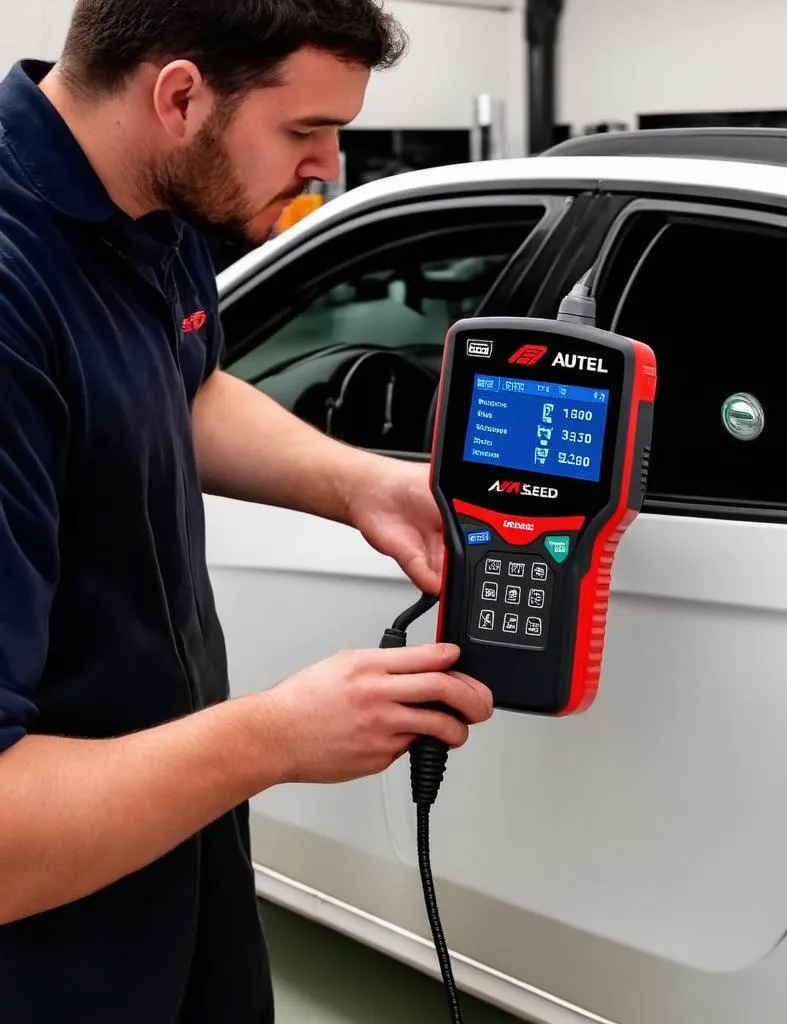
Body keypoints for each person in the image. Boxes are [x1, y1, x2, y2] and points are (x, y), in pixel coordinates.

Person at [0, 1, 494, 1021]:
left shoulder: (155, 196)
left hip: (170, 840)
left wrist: (362, 484)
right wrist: (273, 737)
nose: (329, 167)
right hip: (42, 935)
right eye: (305, 131)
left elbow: (179, 380)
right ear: (179, 95)